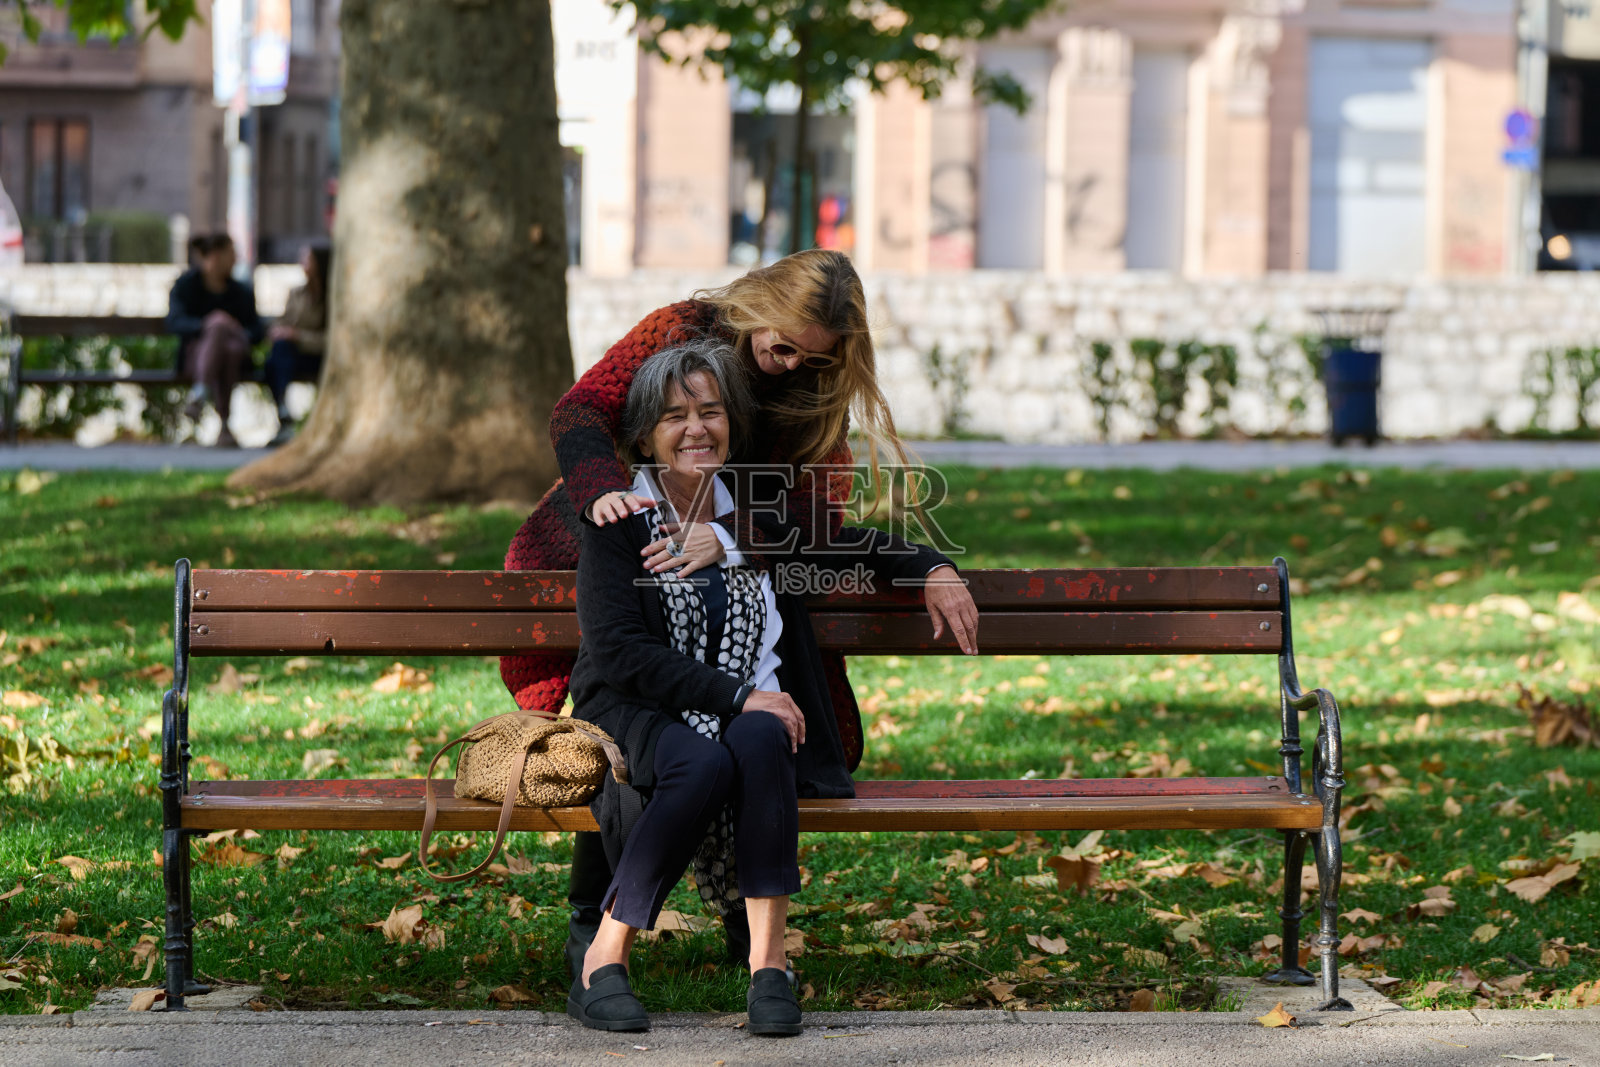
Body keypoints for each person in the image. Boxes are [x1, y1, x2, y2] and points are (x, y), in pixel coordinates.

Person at [498, 249, 979, 978]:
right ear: (761, 304)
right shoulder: (682, 329)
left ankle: (745, 925)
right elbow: (581, 409)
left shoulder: (811, 381)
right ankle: (591, 922)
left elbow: (815, 519)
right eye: (782, 344)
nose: (790, 364)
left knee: (748, 719)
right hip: (631, 527)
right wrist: (608, 495)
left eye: (812, 357)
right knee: (625, 728)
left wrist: (729, 537)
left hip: (737, 548)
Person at [566, 339, 961, 1035]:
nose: (696, 428)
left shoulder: (751, 509)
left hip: (750, 703)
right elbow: (621, 654)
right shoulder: (621, 518)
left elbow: (848, 542)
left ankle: (769, 965)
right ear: (645, 434)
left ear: (731, 421)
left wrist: (931, 566)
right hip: (637, 707)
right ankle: (604, 957)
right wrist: (739, 695)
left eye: (710, 411)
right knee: (703, 758)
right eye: (675, 415)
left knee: (766, 736)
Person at [164, 233, 263, 448]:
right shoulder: (186, 285)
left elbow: (257, 331)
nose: (236, 259)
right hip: (196, 357)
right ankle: (225, 427)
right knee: (224, 337)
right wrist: (208, 325)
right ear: (216, 256)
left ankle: (200, 392)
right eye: (232, 254)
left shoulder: (241, 291)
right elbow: (174, 322)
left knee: (228, 342)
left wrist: (230, 328)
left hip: (235, 357)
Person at [263, 243, 330, 445]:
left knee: (278, 358)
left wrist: (297, 335)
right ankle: (283, 411)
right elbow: (284, 321)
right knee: (275, 357)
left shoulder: (330, 298)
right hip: (293, 356)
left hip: (320, 356)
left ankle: (285, 418)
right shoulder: (296, 293)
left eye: (307, 259)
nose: (302, 264)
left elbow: (331, 339)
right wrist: (278, 331)